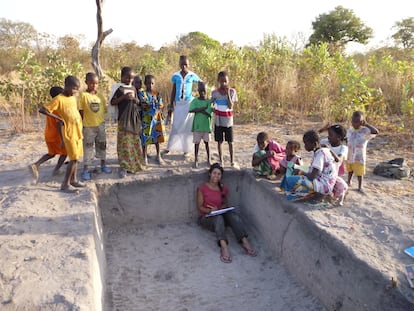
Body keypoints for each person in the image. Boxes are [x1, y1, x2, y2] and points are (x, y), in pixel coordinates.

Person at [197, 163, 257, 263]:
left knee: (233, 215)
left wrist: (223, 207)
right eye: (214, 173)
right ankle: (224, 247)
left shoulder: (222, 188)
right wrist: (210, 211)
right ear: (209, 174)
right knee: (218, 218)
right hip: (207, 217)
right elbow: (199, 207)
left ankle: (245, 242)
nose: (216, 176)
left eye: (219, 174)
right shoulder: (202, 188)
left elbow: (225, 203)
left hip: (219, 214)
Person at [39, 76, 85, 193]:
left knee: (77, 158)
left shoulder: (72, 98)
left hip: (77, 132)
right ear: (67, 86)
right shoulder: (59, 99)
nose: (76, 91)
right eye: (74, 89)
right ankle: (65, 184)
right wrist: (58, 118)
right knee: (73, 158)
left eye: (77, 89)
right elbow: (43, 109)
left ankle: (74, 180)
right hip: (68, 133)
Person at [280, 130, 337, 201]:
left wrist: (301, 172)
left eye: (306, 144)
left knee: (290, 180)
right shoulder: (322, 151)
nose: (305, 146)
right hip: (323, 181)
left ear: (315, 144)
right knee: (291, 173)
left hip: (323, 184)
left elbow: (312, 176)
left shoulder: (320, 154)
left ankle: (315, 195)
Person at [110, 66, 144, 178]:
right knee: (124, 143)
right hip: (124, 120)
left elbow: (138, 102)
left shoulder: (133, 89)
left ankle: (134, 164)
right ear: (121, 77)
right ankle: (124, 166)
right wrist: (124, 97)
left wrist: (135, 100)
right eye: (127, 77)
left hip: (133, 119)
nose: (129, 80)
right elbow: (113, 102)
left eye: (131, 78)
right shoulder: (119, 89)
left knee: (134, 142)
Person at [78, 72, 112, 181]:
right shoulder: (83, 95)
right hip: (88, 127)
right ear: (86, 82)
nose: (94, 85)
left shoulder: (100, 96)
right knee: (88, 147)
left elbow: (104, 110)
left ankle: (103, 165)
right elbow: (81, 111)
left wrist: (104, 122)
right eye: (91, 83)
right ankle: (86, 169)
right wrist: (83, 124)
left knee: (102, 145)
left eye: (96, 83)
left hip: (100, 126)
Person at [164, 55, 201, 156]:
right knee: (175, 125)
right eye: (182, 64)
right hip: (179, 104)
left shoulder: (192, 75)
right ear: (179, 64)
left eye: (186, 64)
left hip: (189, 103)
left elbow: (201, 85)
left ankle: (186, 150)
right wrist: (171, 104)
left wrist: (197, 96)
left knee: (187, 127)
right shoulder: (176, 76)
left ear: (188, 64)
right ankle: (169, 148)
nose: (184, 66)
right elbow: (174, 90)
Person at [29, 86, 66, 183]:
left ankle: (36, 164)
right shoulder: (57, 108)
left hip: (48, 134)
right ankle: (57, 170)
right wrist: (62, 139)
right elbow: (59, 124)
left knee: (52, 153)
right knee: (65, 153)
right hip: (56, 135)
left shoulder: (50, 106)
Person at [346, 111, 379, 193]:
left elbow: (376, 132)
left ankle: (360, 186)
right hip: (350, 154)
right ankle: (349, 181)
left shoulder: (365, 130)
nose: (355, 123)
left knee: (359, 172)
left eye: (357, 122)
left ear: (362, 122)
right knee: (350, 169)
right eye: (353, 121)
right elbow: (346, 139)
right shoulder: (350, 130)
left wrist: (367, 124)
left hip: (359, 156)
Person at [137, 74, 166, 165]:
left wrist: (154, 104)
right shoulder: (142, 93)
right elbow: (143, 104)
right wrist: (153, 104)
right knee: (145, 138)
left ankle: (158, 155)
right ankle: (144, 157)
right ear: (145, 83)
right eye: (148, 83)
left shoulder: (157, 94)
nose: (150, 85)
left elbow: (161, 105)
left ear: (154, 84)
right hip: (146, 119)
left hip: (156, 119)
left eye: (152, 83)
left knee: (156, 137)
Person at [211, 71, 238, 166]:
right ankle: (221, 160)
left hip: (228, 121)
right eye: (221, 81)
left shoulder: (232, 92)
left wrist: (227, 95)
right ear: (218, 81)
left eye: (225, 81)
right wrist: (212, 108)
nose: (223, 84)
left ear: (228, 81)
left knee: (230, 142)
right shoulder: (214, 93)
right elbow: (211, 103)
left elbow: (230, 106)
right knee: (219, 142)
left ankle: (232, 161)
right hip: (218, 121)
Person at [319, 123, 349, 204]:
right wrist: (322, 130)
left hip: (333, 175)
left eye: (331, 135)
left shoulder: (343, 148)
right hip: (321, 173)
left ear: (338, 138)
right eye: (328, 134)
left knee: (342, 187)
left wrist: (329, 149)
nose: (328, 137)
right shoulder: (325, 142)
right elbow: (313, 139)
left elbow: (338, 160)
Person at [188, 81, 213, 168]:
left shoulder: (209, 101)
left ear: (206, 91)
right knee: (196, 144)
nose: (202, 93)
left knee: (207, 144)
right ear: (198, 90)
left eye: (204, 91)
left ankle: (209, 159)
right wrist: (202, 109)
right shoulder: (195, 100)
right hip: (197, 126)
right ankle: (196, 159)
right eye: (200, 91)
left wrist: (199, 110)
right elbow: (190, 110)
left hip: (206, 126)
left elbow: (209, 113)